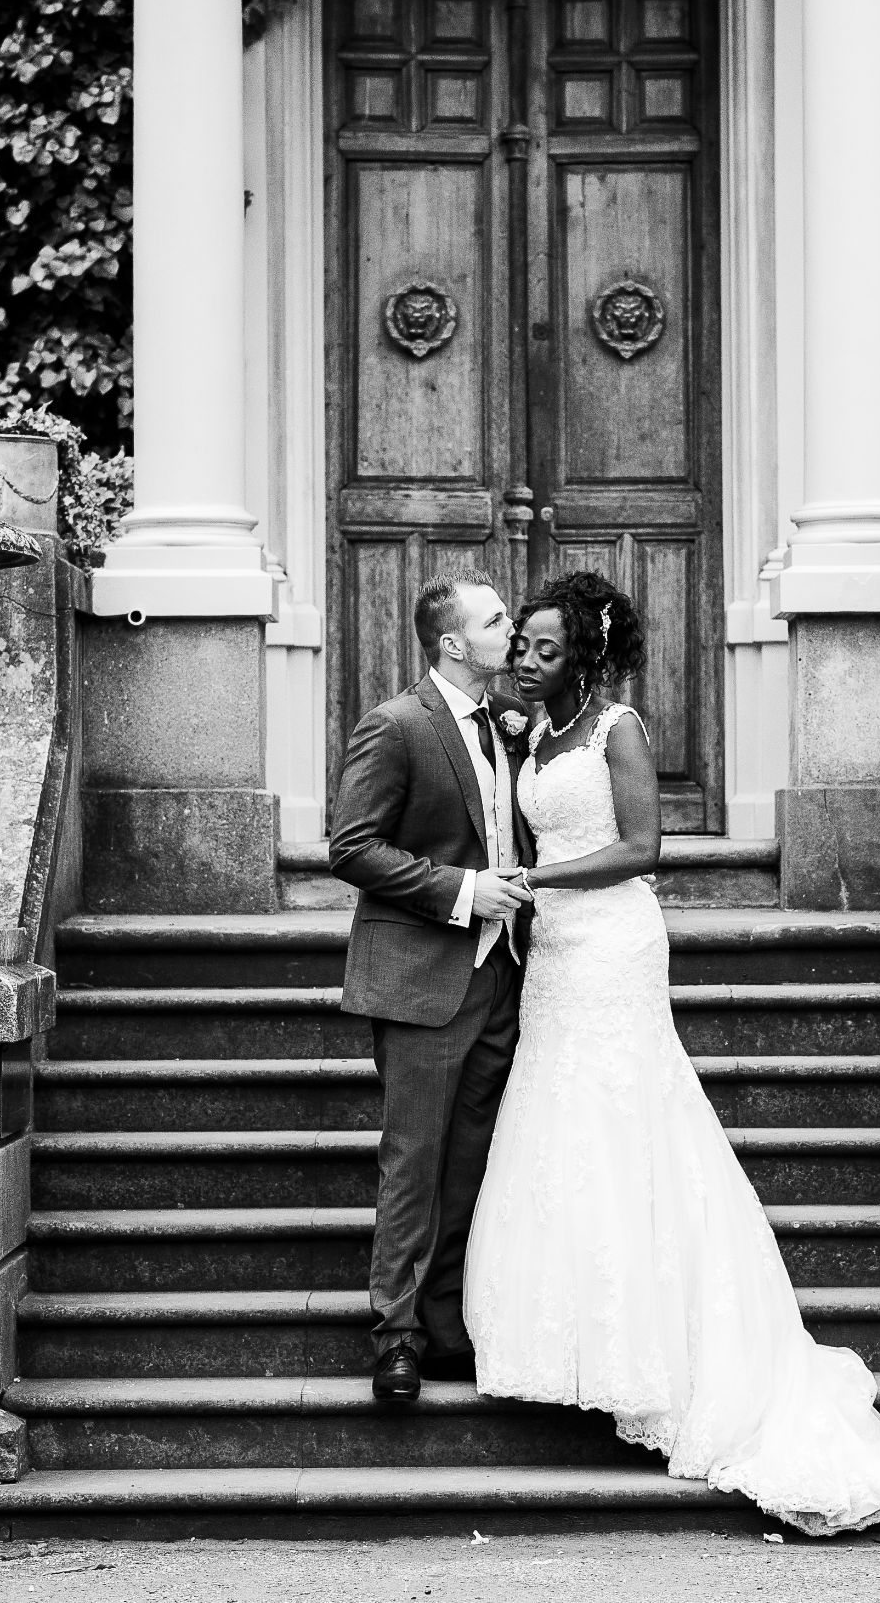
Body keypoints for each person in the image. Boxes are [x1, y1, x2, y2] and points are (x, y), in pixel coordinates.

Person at [463, 568, 880, 1535]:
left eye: (546, 648)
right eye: (521, 643)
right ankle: (572, 1341)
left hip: (612, 943)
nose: (526, 658)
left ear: (585, 657)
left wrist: (537, 878)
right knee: (560, 1121)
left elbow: (644, 847)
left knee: (625, 1117)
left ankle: (653, 1351)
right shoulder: (533, 732)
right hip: (554, 953)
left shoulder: (619, 729)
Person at [329, 568, 534, 1402]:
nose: (511, 628)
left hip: (501, 973)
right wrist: (462, 890)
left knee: (470, 1158)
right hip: (422, 976)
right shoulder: (396, 725)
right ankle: (397, 1337)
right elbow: (352, 846)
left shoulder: (509, 723)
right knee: (413, 1160)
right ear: (452, 642)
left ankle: (446, 1324)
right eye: (496, 620)